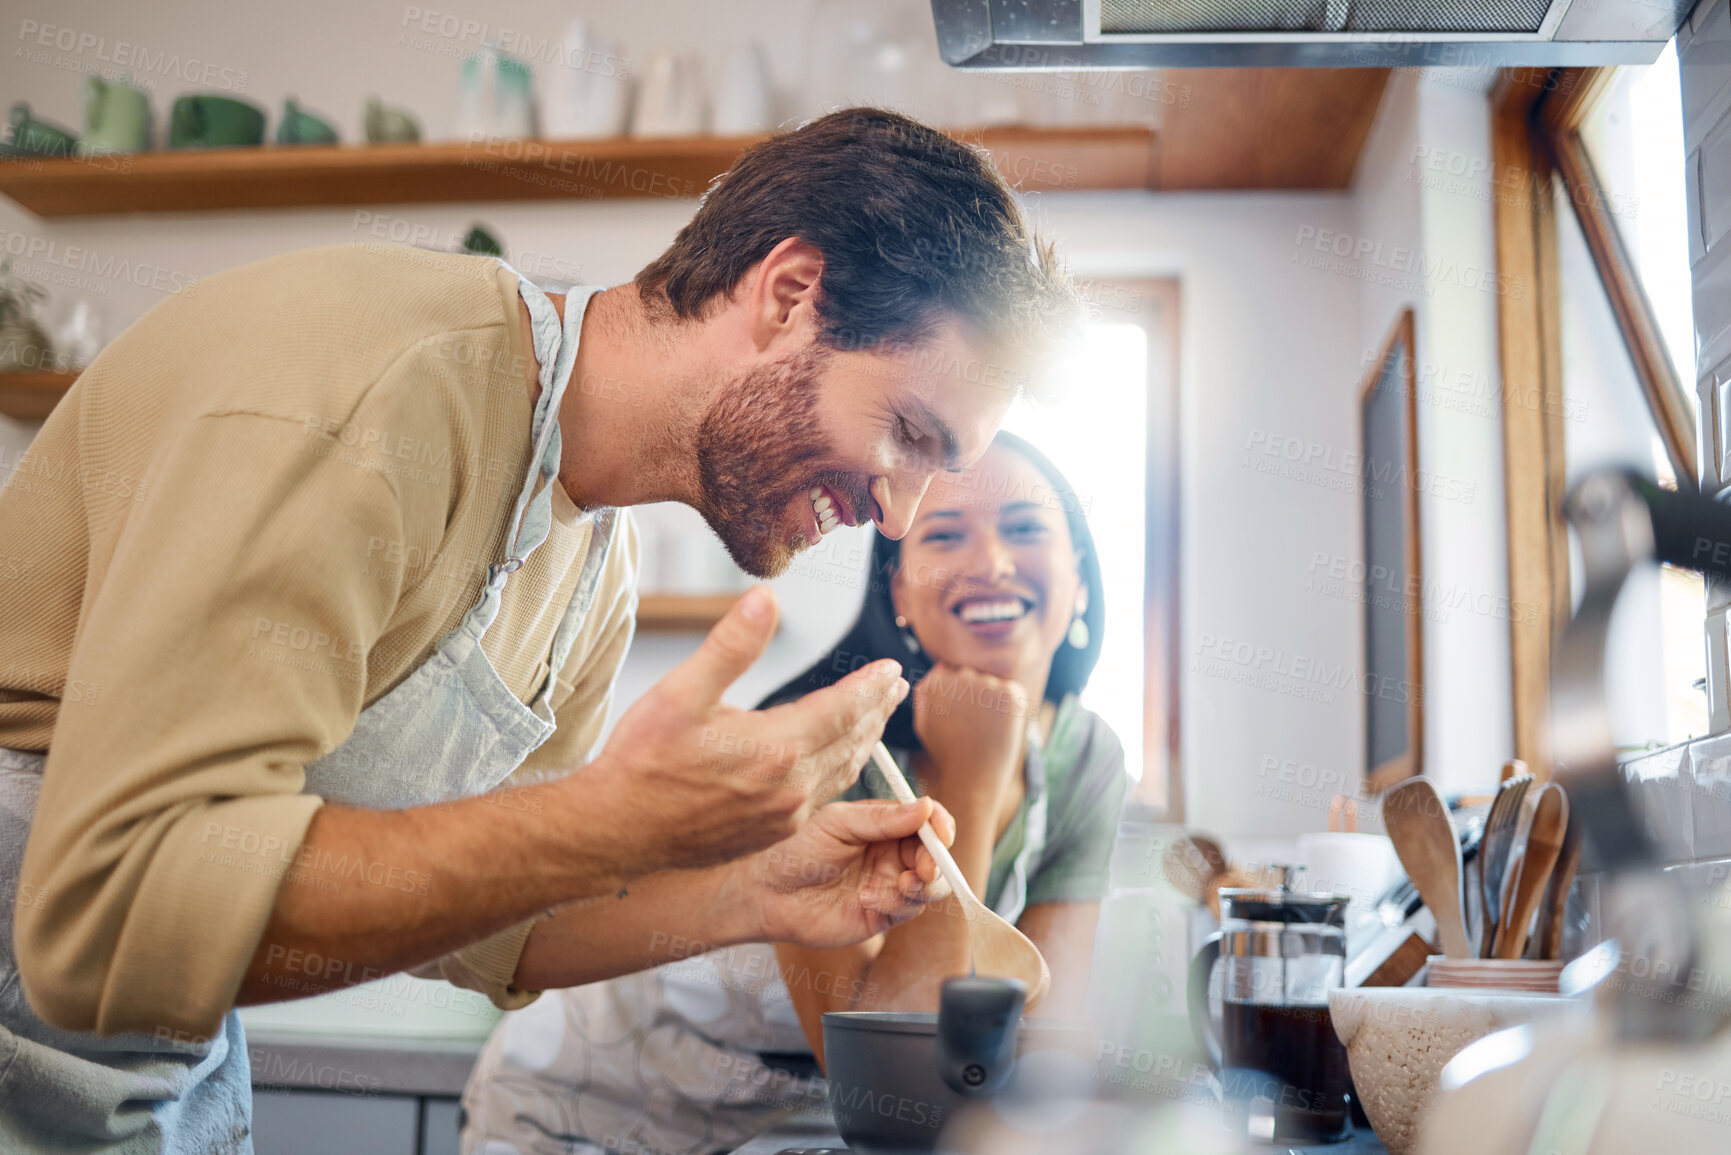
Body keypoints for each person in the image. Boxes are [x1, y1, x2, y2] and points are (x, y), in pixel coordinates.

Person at [0, 109, 1081, 1150]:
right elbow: (112, 911)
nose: (896, 513)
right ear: (791, 294)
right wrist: (614, 821)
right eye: (909, 434)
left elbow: (493, 927)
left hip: (146, 1075)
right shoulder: (382, 395)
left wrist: (750, 891)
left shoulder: (588, 564)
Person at [461, 431, 1128, 1155]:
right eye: (944, 533)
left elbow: (1044, 1048)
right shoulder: (824, 743)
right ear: (900, 589)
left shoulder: (1085, 757)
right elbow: (879, 1078)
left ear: (1082, 577)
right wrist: (969, 778)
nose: (991, 562)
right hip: (589, 1111)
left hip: (791, 1131)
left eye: (1025, 528)